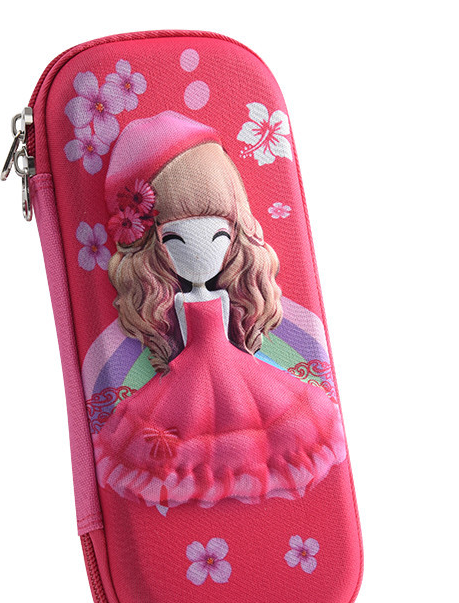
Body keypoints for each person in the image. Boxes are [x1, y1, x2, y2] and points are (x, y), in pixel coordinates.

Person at [93, 111, 346, 511]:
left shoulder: (224, 296)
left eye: (219, 236)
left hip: (234, 365)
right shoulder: (178, 301)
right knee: (196, 431)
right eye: (175, 240)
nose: (202, 253)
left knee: (256, 425)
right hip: (190, 373)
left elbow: (234, 329)